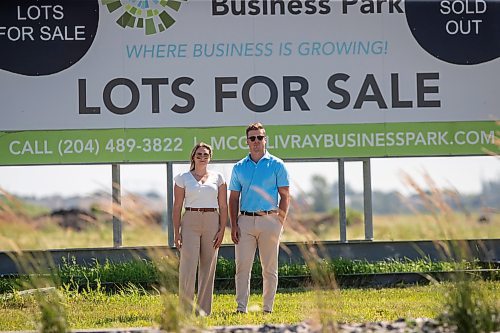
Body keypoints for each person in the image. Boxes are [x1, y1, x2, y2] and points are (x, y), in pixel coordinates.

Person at [228, 122, 290, 314]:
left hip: (270, 220)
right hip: (244, 221)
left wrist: (280, 222)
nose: (256, 141)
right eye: (252, 138)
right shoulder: (239, 167)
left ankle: (267, 309)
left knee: (269, 268)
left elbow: (285, 195)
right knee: (242, 268)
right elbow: (233, 198)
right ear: (247, 141)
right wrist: (234, 225)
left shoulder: (277, 165)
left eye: (260, 137)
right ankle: (241, 308)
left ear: (265, 140)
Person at [173, 142, 228, 316]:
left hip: (212, 220)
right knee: (188, 267)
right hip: (190, 219)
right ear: (193, 157)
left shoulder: (218, 178)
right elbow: (177, 207)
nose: (202, 157)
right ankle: (185, 310)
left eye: (206, 154)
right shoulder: (182, 178)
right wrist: (177, 233)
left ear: (210, 157)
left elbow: (224, 206)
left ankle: (204, 310)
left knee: (208, 266)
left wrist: (222, 230)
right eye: (199, 154)